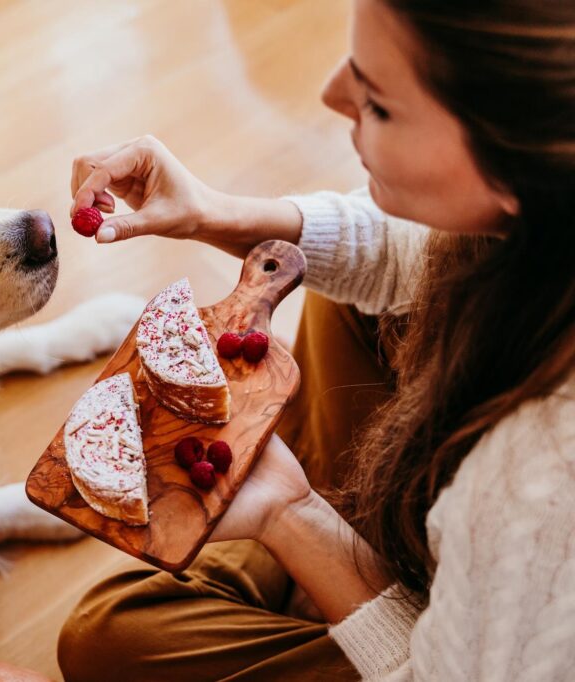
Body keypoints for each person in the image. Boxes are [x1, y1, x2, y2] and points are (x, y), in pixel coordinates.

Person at [57, 0, 575, 679]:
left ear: (516, 169)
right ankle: (344, 548)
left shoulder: (538, 486)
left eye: (380, 103)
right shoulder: (547, 203)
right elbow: (418, 250)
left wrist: (292, 516)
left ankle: (325, 547)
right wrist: (210, 211)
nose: (331, 95)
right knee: (348, 305)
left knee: (108, 636)